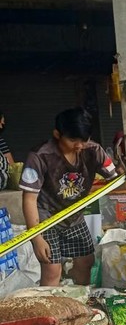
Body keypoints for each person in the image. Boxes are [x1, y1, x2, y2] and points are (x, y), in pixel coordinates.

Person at [20, 107, 118, 286]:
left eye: (84, 139)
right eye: (73, 140)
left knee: (86, 262)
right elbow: (29, 199)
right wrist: (36, 238)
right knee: (52, 270)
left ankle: (80, 305)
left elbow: (116, 180)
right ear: (57, 134)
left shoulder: (93, 150)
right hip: (46, 218)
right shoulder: (40, 156)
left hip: (75, 217)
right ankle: (49, 312)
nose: (79, 145)